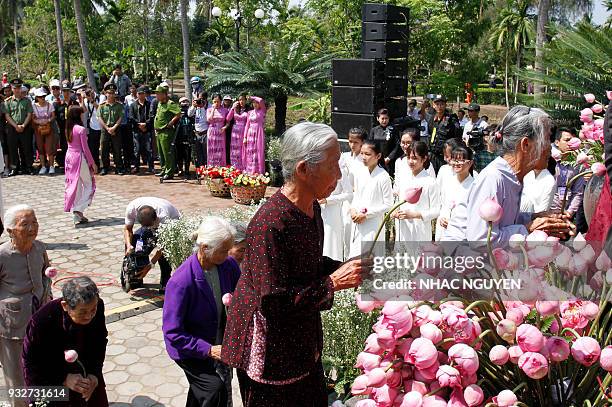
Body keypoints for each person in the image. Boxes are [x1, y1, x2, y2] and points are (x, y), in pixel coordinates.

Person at [221, 122, 367, 407]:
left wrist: (348, 267)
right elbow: (274, 302)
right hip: (270, 352)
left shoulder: (312, 206)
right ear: (303, 170)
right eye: (333, 165)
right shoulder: (270, 224)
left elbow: (307, 264)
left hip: (300, 343)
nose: (339, 174)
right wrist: (334, 282)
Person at [442, 105, 575, 246]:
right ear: (525, 145)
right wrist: (527, 229)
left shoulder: (513, 176)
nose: (550, 147)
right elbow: (480, 241)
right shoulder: (493, 178)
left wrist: (536, 217)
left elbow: (505, 220)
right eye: (547, 139)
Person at [163, 217, 240, 407]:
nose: (228, 254)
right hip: (189, 348)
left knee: (206, 390)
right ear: (205, 248)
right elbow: (173, 332)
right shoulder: (181, 282)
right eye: (223, 250)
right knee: (214, 388)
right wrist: (208, 349)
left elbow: (241, 293)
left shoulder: (227, 265)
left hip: (216, 338)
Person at [22, 277, 109, 407]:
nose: (89, 316)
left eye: (92, 310)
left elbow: (99, 341)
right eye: (82, 312)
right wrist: (63, 378)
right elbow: (32, 362)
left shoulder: (97, 305)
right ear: (65, 306)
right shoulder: (41, 321)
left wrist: (94, 375)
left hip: (86, 372)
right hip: (51, 378)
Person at [0, 205, 51, 407]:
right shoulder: (2, 255)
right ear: (10, 230)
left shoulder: (39, 247)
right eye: (25, 224)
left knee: (40, 363)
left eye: (35, 222)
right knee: (15, 372)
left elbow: (45, 273)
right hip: (12, 323)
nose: (32, 228)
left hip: (40, 316)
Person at [124, 197, 180, 291]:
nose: (149, 228)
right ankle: (136, 277)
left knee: (166, 254)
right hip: (153, 222)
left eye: (150, 225)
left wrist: (150, 265)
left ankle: (165, 281)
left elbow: (164, 246)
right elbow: (127, 229)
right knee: (137, 242)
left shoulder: (163, 216)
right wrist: (129, 246)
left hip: (172, 225)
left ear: (156, 219)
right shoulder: (131, 209)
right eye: (145, 226)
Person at [349, 140, 394, 258]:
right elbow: (356, 196)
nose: (363, 157)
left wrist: (367, 214)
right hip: (357, 222)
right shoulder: (360, 172)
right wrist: (353, 209)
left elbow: (388, 204)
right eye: (362, 153)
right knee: (355, 256)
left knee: (371, 259)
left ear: (378, 156)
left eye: (367, 154)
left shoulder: (383, 177)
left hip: (373, 224)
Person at [392, 141, 439, 242]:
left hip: (420, 231)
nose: (410, 161)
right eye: (408, 157)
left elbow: (436, 211)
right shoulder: (404, 178)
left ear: (424, 158)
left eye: (415, 158)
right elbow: (398, 201)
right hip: (402, 229)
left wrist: (415, 215)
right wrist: (394, 211)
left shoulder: (430, 182)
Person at [435, 145, 476, 241]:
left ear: (470, 163)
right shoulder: (448, 181)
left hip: (463, 236)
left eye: (460, 160)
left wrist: (453, 223)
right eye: (453, 160)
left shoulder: (474, 186)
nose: (456, 163)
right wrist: (442, 217)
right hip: (444, 233)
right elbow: (444, 205)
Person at [64, 105, 96, 225]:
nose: (83, 115)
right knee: (89, 184)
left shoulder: (68, 128)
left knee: (75, 185)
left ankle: (78, 213)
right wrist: (92, 163)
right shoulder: (80, 129)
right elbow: (85, 148)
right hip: (79, 157)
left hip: (69, 157)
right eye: (81, 113)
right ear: (78, 115)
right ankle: (78, 209)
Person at [320, 150, 353, 261]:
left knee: (331, 240)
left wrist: (329, 200)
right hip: (318, 209)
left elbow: (348, 194)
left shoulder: (341, 170)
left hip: (333, 211)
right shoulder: (319, 169)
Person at [549, 128, 586, 217]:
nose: (570, 144)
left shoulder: (578, 165)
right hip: (545, 211)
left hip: (564, 214)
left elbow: (577, 192)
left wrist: (569, 213)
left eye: (572, 141)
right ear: (557, 142)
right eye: (567, 140)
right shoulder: (548, 161)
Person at [2, 79, 34, 176]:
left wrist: (23, 125)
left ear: (21, 88)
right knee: (13, 148)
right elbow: (7, 115)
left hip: (25, 126)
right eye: (15, 88)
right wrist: (16, 126)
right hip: (12, 127)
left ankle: (28, 167)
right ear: (12, 88)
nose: (17, 90)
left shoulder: (27, 101)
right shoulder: (7, 102)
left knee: (26, 148)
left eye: (19, 87)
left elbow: (29, 114)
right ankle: (14, 168)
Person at [427, 94, 460, 174]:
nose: (439, 106)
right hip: (433, 155)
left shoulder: (451, 120)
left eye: (442, 104)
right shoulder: (432, 119)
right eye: (437, 104)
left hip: (446, 156)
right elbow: (430, 134)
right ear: (433, 105)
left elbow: (457, 138)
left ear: (445, 105)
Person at [154, 86, 181, 180]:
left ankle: (169, 172)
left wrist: (172, 122)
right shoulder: (160, 103)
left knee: (167, 153)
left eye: (158, 94)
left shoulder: (170, 104)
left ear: (164, 94)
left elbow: (178, 113)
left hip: (166, 132)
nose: (156, 95)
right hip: (159, 131)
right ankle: (163, 169)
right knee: (161, 153)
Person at [98, 83, 125, 175]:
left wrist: (113, 128)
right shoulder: (102, 106)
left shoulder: (119, 105)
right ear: (105, 93)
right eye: (109, 93)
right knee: (104, 149)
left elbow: (120, 118)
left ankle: (119, 167)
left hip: (116, 129)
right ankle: (105, 167)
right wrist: (107, 128)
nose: (110, 95)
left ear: (115, 94)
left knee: (117, 149)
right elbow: (100, 118)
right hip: (105, 130)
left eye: (112, 93)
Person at [129, 86, 154, 173]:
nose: (141, 95)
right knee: (137, 149)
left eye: (143, 93)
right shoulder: (133, 105)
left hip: (147, 130)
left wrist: (145, 124)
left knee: (149, 149)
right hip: (137, 130)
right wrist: (139, 124)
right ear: (136, 94)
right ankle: (136, 166)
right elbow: (131, 117)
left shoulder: (149, 104)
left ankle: (151, 167)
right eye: (139, 94)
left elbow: (152, 116)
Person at [32, 88, 56, 175]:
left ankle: (51, 166)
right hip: (38, 129)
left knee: (50, 147)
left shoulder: (50, 105)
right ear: (37, 97)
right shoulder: (34, 106)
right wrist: (38, 122)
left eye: (43, 96)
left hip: (48, 128)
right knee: (40, 147)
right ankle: (43, 166)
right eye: (40, 97)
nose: (42, 98)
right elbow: (33, 118)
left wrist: (48, 120)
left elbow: (53, 116)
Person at [242, 96, 266, 174]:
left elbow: (261, 100)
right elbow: (247, 125)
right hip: (250, 134)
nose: (255, 104)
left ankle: (257, 171)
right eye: (253, 102)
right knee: (250, 152)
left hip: (258, 133)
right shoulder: (250, 112)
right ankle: (249, 170)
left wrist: (251, 97)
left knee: (258, 151)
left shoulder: (262, 111)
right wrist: (245, 137)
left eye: (257, 103)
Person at [225, 94, 249, 169]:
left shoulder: (249, 109)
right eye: (240, 99)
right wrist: (232, 108)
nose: (241, 101)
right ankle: (235, 167)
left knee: (243, 149)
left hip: (244, 130)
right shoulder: (235, 108)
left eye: (243, 99)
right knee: (235, 149)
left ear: (246, 100)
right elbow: (228, 119)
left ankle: (243, 166)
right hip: (235, 131)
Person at [175, 97, 195, 180]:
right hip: (179, 136)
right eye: (182, 102)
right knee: (179, 154)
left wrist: (189, 115)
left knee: (187, 155)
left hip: (188, 136)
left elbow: (194, 121)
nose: (184, 104)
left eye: (186, 102)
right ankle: (180, 169)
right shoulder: (177, 112)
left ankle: (187, 170)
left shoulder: (191, 112)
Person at [82, 89, 102, 170]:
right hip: (92, 125)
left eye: (91, 93)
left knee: (102, 146)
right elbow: (84, 110)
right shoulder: (86, 101)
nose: (90, 95)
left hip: (101, 125)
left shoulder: (100, 98)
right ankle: (95, 164)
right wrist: (83, 100)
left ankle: (103, 165)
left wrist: (92, 100)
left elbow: (99, 109)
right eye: (88, 94)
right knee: (93, 147)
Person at [189, 92, 210, 168]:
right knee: (199, 153)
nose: (199, 100)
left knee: (206, 152)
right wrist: (193, 106)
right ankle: (201, 169)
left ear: (205, 99)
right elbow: (189, 114)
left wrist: (203, 107)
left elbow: (209, 118)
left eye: (201, 99)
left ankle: (207, 168)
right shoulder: (196, 106)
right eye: (199, 98)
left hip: (205, 132)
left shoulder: (209, 106)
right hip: (197, 133)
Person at [206, 95, 228, 167]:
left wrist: (225, 127)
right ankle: (211, 166)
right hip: (212, 130)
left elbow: (228, 121)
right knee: (212, 148)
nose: (216, 103)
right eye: (214, 101)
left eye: (218, 101)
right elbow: (209, 120)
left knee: (220, 149)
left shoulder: (225, 110)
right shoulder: (209, 110)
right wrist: (213, 109)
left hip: (221, 131)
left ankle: (221, 167)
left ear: (221, 101)